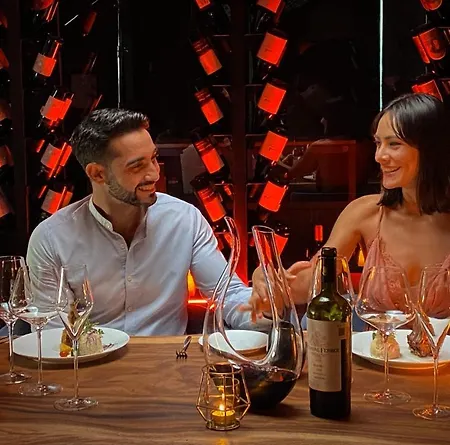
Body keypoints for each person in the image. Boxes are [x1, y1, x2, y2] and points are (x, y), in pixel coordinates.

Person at [27, 109, 269, 335]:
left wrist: (268, 304)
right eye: (137, 166)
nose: (154, 173)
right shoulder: (51, 239)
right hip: (92, 362)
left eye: (153, 158)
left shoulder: (185, 219)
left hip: (169, 362)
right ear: (97, 174)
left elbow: (229, 297)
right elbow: (52, 337)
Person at [246, 93, 450, 317]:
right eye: (378, 143)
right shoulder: (365, 213)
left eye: (394, 144)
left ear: (431, 149)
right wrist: (268, 281)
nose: (379, 156)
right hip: (376, 342)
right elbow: (311, 282)